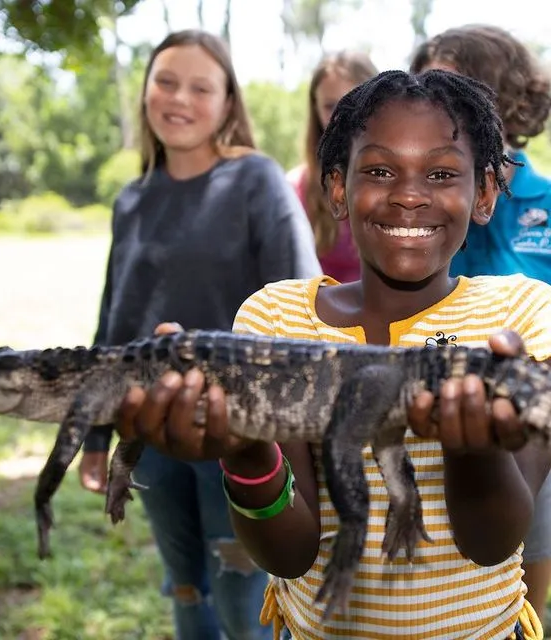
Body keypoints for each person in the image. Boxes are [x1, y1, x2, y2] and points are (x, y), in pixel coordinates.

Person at [114, 69, 551, 639]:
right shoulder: (277, 319)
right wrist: (248, 457)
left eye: (442, 173)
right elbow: (291, 554)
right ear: (338, 189)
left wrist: (474, 451)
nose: (410, 193)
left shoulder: (522, 317)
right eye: (378, 171)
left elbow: (493, 543)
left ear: (486, 193)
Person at [77, 29, 321, 640]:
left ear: (228, 103)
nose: (179, 98)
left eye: (200, 86)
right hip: (148, 430)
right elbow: (115, 320)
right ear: (145, 92)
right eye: (165, 80)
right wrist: (94, 433)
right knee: (184, 584)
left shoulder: (255, 181)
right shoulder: (131, 199)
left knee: (244, 594)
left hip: (234, 433)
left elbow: (300, 305)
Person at [410, 24, 551, 624]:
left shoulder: (544, 202)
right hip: (423, 409)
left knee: (521, 583)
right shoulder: (419, 201)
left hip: (534, 428)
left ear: (506, 94)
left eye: (455, 85)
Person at [287, 51, 378, 283]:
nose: (342, 115)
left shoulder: (403, 185)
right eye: (330, 106)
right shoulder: (296, 189)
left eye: (356, 101)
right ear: (315, 110)